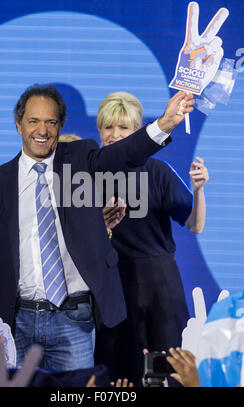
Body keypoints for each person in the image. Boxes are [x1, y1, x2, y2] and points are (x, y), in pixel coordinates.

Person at [0, 84, 195, 372]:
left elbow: (123, 153)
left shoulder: (81, 162)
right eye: (33, 121)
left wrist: (165, 123)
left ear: (60, 126)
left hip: (74, 320)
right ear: (18, 125)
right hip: (17, 323)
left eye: (51, 121)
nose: (42, 130)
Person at [94, 91, 208, 384]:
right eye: (108, 127)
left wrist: (198, 190)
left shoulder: (158, 171)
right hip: (114, 282)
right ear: (99, 129)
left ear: (137, 132)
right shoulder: (88, 175)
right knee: (120, 371)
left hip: (161, 284)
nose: (115, 135)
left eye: (124, 128)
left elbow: (195, 225)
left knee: (169, 369)